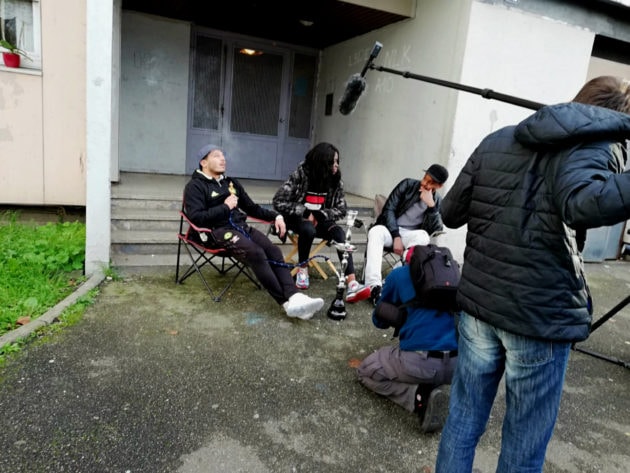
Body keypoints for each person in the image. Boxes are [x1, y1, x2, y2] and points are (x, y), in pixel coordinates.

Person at [435, 76, 630, 473]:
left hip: (479, 307)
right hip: (538, 319)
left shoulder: (497, 140)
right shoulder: (594, 147)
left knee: (463, 421)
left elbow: (450, 212)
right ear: (615, 120)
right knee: (523, 447)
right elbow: (583, 205)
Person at [184, 144, 325, 320]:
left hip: (240, 228)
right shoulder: (195, 187)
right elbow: (196, 218)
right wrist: (225, 207)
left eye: (223, 155)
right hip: (215, 233)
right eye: (216, 156)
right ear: (203, 162)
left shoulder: (231, 183)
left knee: (273, 251)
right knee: (256, 253)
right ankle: (286, 303)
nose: (223, 159)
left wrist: (276, 217)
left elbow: (251, 208)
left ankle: (295, 296)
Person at [357, 245, 458, 433]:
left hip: (419, 362)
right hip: (459, 366)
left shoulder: (400, 275)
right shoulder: (454, 278)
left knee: (366, 371)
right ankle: (448, 394)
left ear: (410, 261)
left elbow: (379, 321)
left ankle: (419, 396)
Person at [272, 142, 370, 303]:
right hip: (298, 221)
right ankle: (303, 270)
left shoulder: (335, 179)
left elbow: (341, 208)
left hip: (322, 220)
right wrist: (304, 212)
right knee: (308, 229)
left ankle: (351, 282)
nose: (336, 166)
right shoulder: (301, 174)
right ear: (322, 162)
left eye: (338, 161)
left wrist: (321, 214)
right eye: (333, 162)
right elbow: (279, 201)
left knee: (339, 232)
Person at [363, 164, 448, 305]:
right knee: (375, 231)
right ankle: (374, 287)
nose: (424, 183)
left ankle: (390, 280)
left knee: (424, 237)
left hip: (411, 237)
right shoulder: (407, 185)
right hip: (390, 230)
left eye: (430, 182)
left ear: (438, 186)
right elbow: (388, 209)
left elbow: (436, 228)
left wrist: (431, 207)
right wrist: (396, 236)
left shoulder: (436, 201)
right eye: (424, 179)